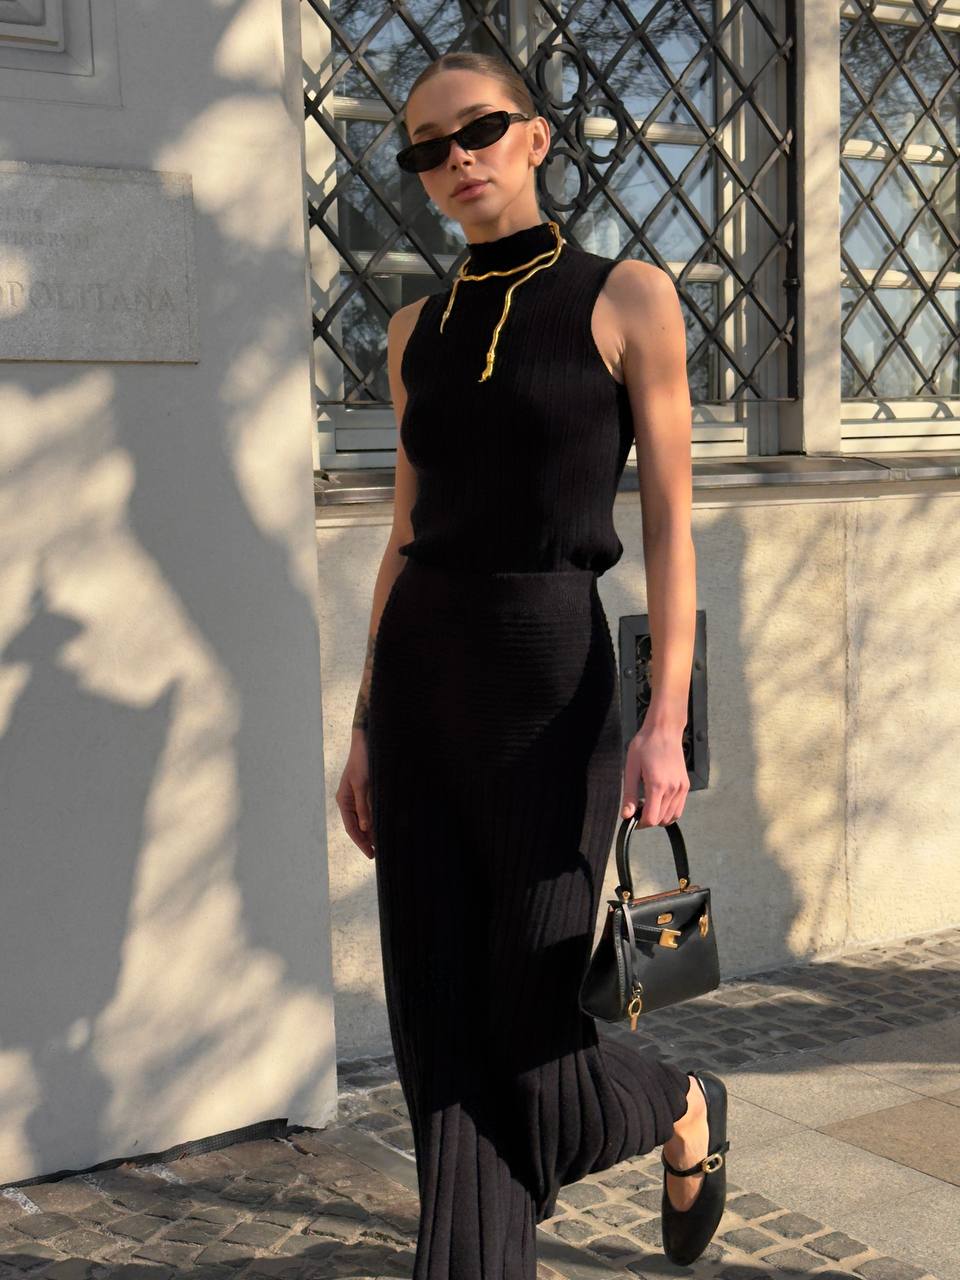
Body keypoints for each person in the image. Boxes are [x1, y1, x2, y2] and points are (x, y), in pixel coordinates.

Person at [336, 50, 730, 1279]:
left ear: (537, 138)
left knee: (530, 1021)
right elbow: (403, 534)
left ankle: (674, 1098)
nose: (455, 159)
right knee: (436, 1017)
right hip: (421, 687)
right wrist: (360, 727)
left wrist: (668, 716)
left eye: (479, 130)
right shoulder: (414, 330)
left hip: (554, 683)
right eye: (426, 147)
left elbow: (669, 520)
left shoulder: (629, 298)